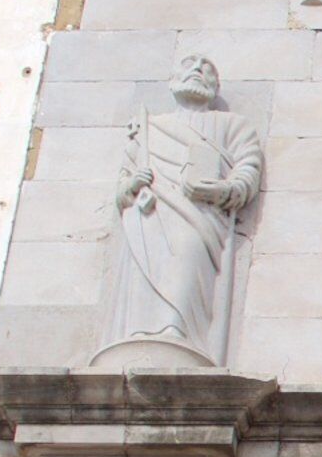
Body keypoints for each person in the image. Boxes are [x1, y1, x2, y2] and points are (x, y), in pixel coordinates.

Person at [97, 55, 265, 366]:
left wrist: (217, 191)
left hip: (200, 218)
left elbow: (247, 172)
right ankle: (140, 334)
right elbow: (123, 186)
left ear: (215, 86)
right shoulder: (149, 129)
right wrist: (134, 183)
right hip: (149, 214)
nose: (199, 71)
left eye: (207, 70)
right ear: (173, 81)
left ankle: (177, 333)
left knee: (187, 265)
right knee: (145, 269)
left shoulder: (232, 125)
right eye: (190, 65)